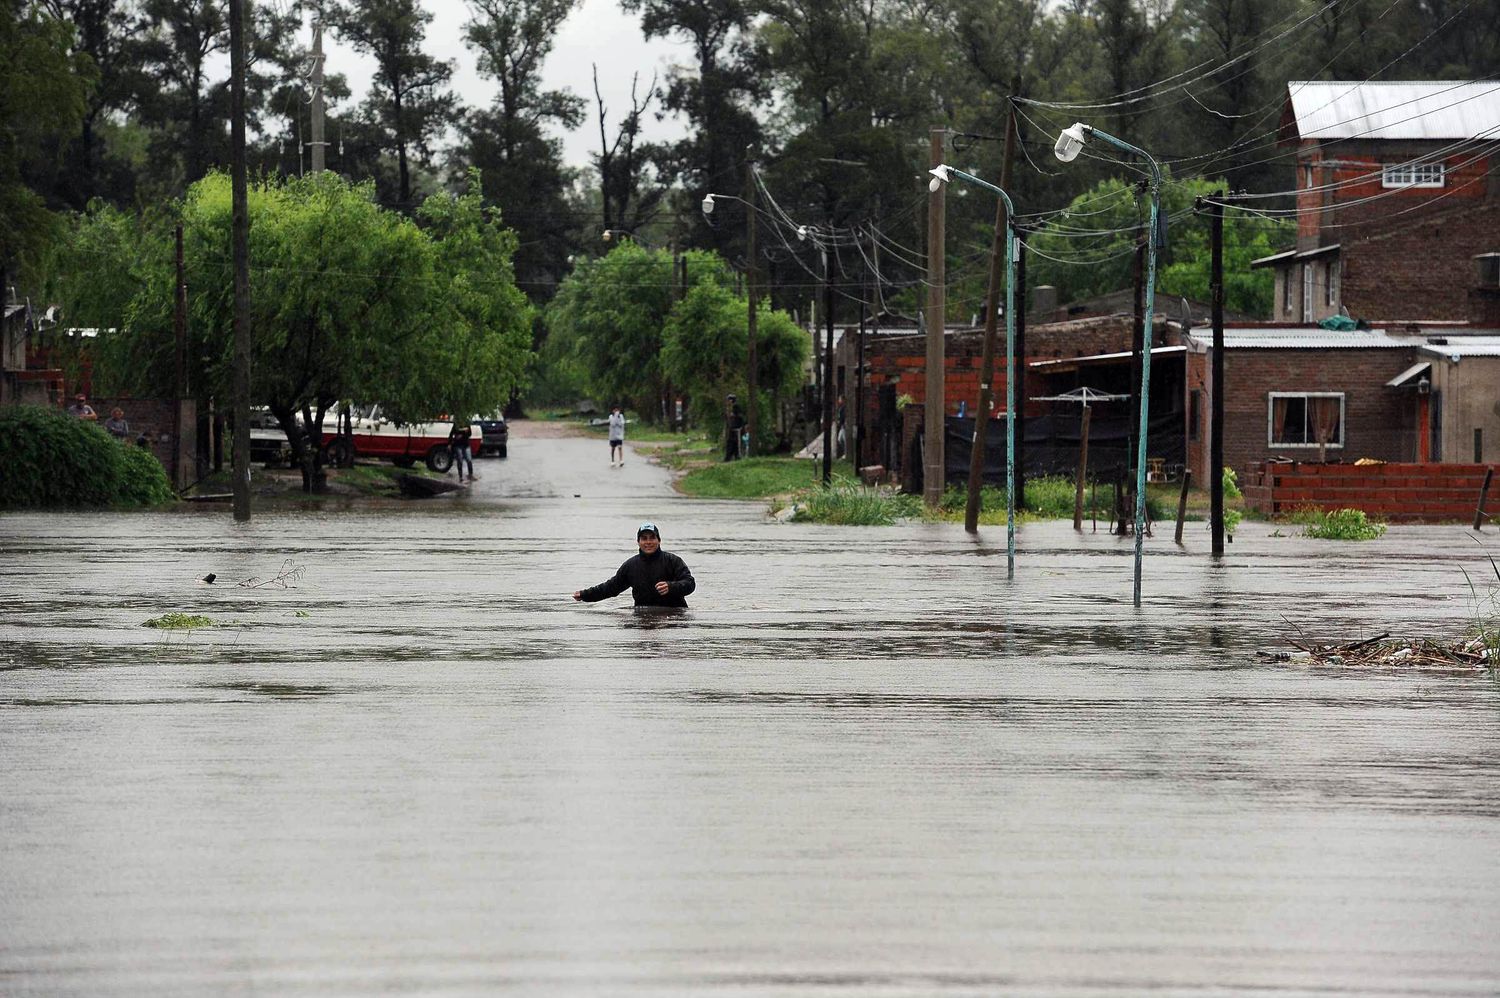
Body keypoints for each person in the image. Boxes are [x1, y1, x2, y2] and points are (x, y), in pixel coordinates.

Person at [572, 521, 696, 608]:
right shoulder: (630, 566)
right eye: (644, 538)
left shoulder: (673, 561)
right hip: (642, 618)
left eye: (652, 538)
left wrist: (672, 587)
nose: (648, 542)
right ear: (638, 542)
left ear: (659, 540)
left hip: (674, 619)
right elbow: (610, 588)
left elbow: (690, 583)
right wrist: (585, 594)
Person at [724, 395, 745, 461]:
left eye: (728, 400)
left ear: (731, 400)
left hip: (736, 428)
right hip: (732, 427)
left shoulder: (736, 407)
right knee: (732, 442)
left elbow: (739, 416)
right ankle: (731, 456)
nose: (727, 402)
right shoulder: (730, 407)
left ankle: (735, 456)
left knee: (734, 442)